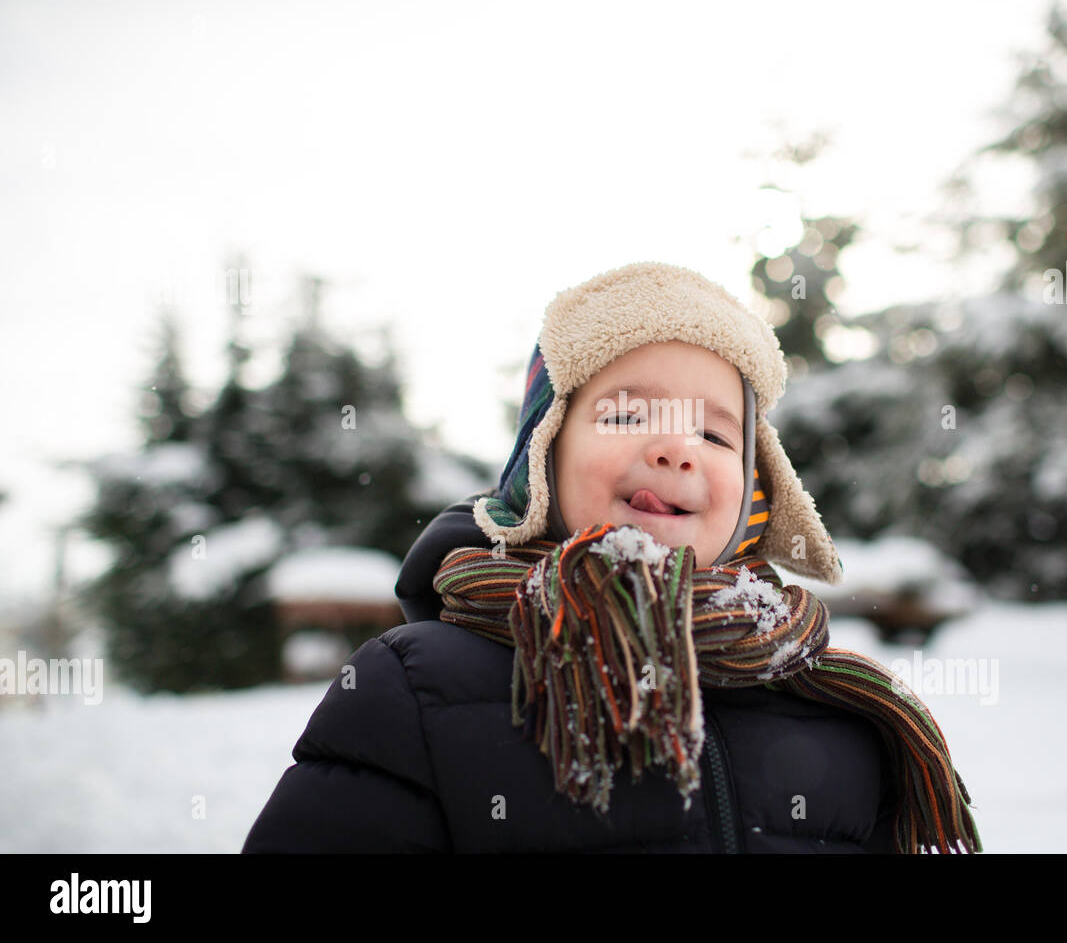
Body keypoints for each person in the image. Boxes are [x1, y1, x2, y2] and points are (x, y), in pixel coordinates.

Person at [242, 261, 982, 853]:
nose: (675, 447)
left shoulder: (837, 709)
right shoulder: (412, 688)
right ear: (542, 459)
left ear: (757, 493)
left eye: (717, 435)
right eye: (628, 413)